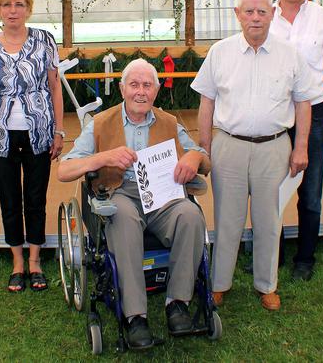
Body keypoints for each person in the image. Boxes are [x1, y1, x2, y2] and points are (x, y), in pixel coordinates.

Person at [58, 58, 210, 350]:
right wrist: (103, 158)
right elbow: (64, 170)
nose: (141, 92)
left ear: (156, 90)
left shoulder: (168, 122)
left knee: (190, 215)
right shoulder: (101, 123)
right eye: (134, 85)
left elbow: (202, 157)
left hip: (161, 194)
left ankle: (177, 303)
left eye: (147, 85)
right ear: (122, 88)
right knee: (123, 218)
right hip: (121, 191)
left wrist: (192, 158)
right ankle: (135, 317)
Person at [191, 0, 316, 311]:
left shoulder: (290, 55)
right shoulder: (220, 52)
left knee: (269, 221)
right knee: (226, 219)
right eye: (249, 11)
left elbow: (304, 103)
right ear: (238, 14)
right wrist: (204, 149)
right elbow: (206, 102)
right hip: (228, 147)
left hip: (274, 148)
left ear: (273, 13)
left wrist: (300, 147)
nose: (256, 17)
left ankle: (266, 285)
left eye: (262, 11)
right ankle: (220, 284)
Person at [0, 0, 64, 293]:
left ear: (28, 9)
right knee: (9, 201)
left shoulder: (44, 40)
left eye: (19, 5)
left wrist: (58, 130)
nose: (12, 11)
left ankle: (35, 261)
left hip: (39, 132)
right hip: (0, 135)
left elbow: (54, 87)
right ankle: (17, 262)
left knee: (35, 200)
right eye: (6, 5)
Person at [270, 0, 323, 281]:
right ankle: (272, 256)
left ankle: (305, 258)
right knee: (271, 190)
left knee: (310, 193)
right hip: (276, 116)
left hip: (316, 114)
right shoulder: (266, 18)